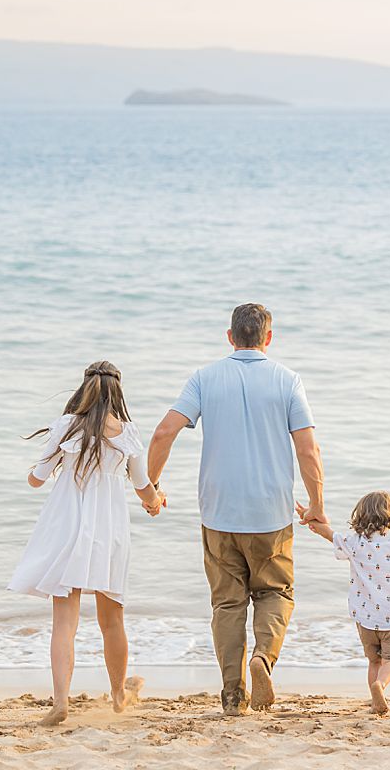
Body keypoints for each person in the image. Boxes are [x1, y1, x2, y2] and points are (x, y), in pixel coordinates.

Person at [147, 303, 326, 716]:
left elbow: (163, 432)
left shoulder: (204, 378)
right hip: (272, 514)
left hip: (219, 513)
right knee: (275, 592)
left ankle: (232, 693)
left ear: (230, 337)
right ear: (268, 337)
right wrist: (316, 505)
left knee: (227, 604)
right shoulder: (287, 380)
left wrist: (153, 486)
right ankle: (263, 657)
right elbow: (308, 449)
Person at [9, 361, 165, 726]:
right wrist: (156, 502)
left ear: (85, 389)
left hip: (66, 528)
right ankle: (118, 695)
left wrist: (51, 463)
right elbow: (144, 487)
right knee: (113, 620)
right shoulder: (128, 433)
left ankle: (60, 702)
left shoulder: (66, 426)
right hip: (108, 532)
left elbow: (36, 480)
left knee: (64, 623)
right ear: (117, 392)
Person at [298, 492, 390, 715]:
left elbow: (327, 533)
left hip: (365, 618)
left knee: (374, 661)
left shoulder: (353, 543)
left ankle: (374, 699)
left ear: (361, 516)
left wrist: (310, 517)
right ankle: (381, 686)